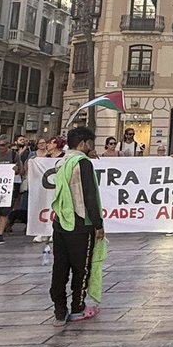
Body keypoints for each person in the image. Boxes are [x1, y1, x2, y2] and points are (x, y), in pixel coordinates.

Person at [50, 127, 105, 326]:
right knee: (81, 268)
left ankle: (59, 309)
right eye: (90, 143)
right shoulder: (83, 163)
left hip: (61, 221)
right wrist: (98, 224)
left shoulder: (62, 161)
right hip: (80, 223)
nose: (92, 147)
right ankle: (78, 307)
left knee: (60, 266)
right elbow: (89, 195)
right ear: (83, 144)